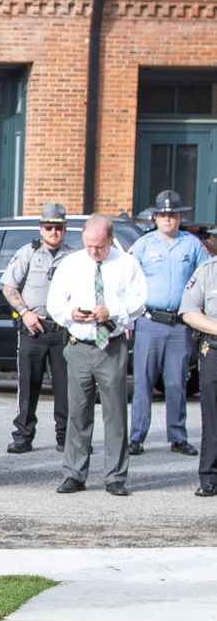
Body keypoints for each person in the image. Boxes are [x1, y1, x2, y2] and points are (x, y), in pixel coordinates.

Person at [47, 214, 147, 496]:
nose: (94, 252)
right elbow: (54, 303)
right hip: (80, 344)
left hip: (111, 346)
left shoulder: (126, 264)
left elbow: (139, 301)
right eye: (89, 246)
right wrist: (71, 314)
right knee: (78, 412)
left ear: (111, 240)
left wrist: (112, 312)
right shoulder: (72, 263)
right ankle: (74, 473)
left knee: (115, 414)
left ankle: (115, 476)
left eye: (100, 247)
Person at [128, 189, 208, 457]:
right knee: (143, 382)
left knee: (176, 384)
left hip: (180, 325)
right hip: (149, 322)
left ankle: (177, 436)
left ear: (180, 217)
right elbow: (128, 282)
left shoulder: (192, 244)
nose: (168, 219)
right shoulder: (143, 245)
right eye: (163, 215)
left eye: (172, 215)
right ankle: (136, 437)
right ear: (155, 217)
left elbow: (206, 276)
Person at [1, 202, 74, 453]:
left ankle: (66, 437)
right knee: (28, 386)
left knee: (65, 387)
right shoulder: (28, 253)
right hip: (33, 329)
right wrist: (25, 313)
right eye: (49, 227)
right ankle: (23, 435)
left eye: (58, 228)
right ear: (41, 229)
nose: (54, 232)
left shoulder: (73, 257)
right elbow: (9, 287)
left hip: (62, 330)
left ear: (64, 230)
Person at [179, 247, 217, 497]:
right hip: (214, 348)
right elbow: (190, 313)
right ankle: (210, 476)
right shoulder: (207, 271)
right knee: (212, 414)